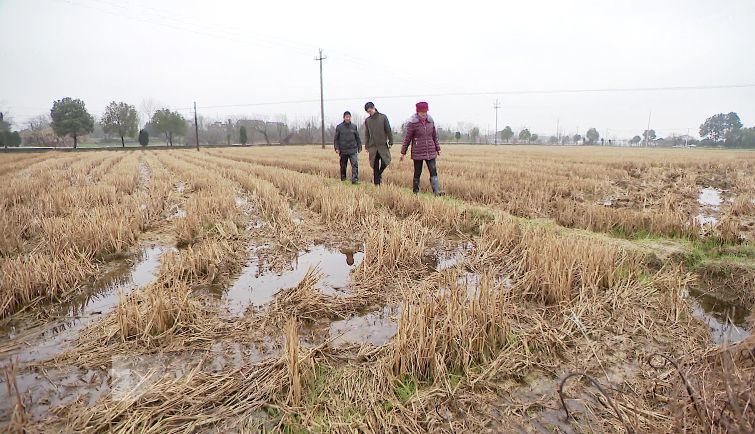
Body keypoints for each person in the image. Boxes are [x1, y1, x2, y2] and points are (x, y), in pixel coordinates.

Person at [400, 101, 444, 196]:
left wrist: (438, 148)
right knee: (417, 171)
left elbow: (434, 136)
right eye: (422, 112)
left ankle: (436, 191)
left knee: (433, 170)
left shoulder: (431, 121)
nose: (424, 114)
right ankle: (416, 192)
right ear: (418, 112)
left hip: (430, 150)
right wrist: (403, 152)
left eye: (425, 112)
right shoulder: (412, 123)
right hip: (418, 151)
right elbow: (407, 138)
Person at [363, 102, 394, 185]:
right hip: (373, 147)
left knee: (386, 161)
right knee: (375, 166)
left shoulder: (383, 117)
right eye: (368, 112)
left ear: (374, 108)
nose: (370, 112)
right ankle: (377, 185)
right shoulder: (367, 121)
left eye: (371, 110)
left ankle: (379, 174)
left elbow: (388, 130)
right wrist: (366, 145)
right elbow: (366, 134)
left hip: (382, 145)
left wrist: (391, 141)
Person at [333, 111, 361, 184]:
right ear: (344, 118)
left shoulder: (354, 126)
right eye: (346, 117)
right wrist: (336, 148)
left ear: (350, 117)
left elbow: (357, 137)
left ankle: (355, 179)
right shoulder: (339, 127)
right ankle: (343, 178)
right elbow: (336, 139)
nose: (348, 118)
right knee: (343, 165)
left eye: (349, 117)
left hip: (353, 149)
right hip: (343, 150)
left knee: (355, 164)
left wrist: (359, 146)